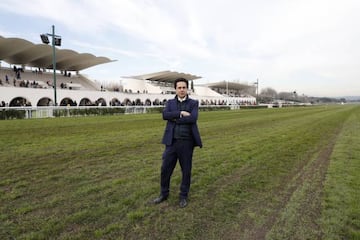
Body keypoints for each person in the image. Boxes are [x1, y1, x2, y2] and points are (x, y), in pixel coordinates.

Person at [153, 78, 202, 208]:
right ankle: (164, 194)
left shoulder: (193, 103)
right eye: (179, 87)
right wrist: (180, 113)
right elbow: (164, 115)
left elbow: (193, 118)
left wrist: (174, 118)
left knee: (186, 171)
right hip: (171, 142)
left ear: (187, 89)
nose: (181, 90)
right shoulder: (170, 103)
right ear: (175, 89)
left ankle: (183, 196)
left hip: (186, 143)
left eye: (184, 87)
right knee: (165, 169)